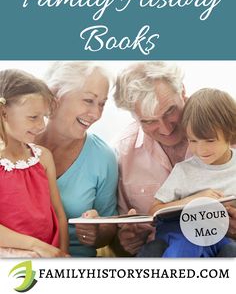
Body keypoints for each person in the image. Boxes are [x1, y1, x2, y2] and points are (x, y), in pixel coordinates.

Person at [113, 61, 236, 256]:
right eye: (149, 121)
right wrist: (126, 240)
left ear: (182, 91)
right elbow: (119, 239)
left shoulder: (223, 125)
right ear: (135, 118)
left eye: (170, 111)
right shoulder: (123, 155)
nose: (166, 129)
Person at [37, 61, 118, 257]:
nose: (96, 114)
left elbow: (109, 227)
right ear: (55, 94)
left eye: (102, 104)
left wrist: (97, 232)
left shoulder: (103, 157)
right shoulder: (13, 143)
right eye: (89, 100)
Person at [148, 88, 236, 257]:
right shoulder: (184, 171)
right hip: (183, 237)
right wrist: (193, 200)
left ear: (230, 131)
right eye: (192, 140)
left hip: (223, 239)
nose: (201, 149)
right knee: (178, 248)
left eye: (210, 140)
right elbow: (154, 211)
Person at [0, 69, 69, 258]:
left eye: (44, 117)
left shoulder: (42, 157)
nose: (42, 126)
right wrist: (36, 246)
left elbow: (58, 214)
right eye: (33, 117)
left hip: (49, 254)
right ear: (3, 113)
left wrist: (62, 255)